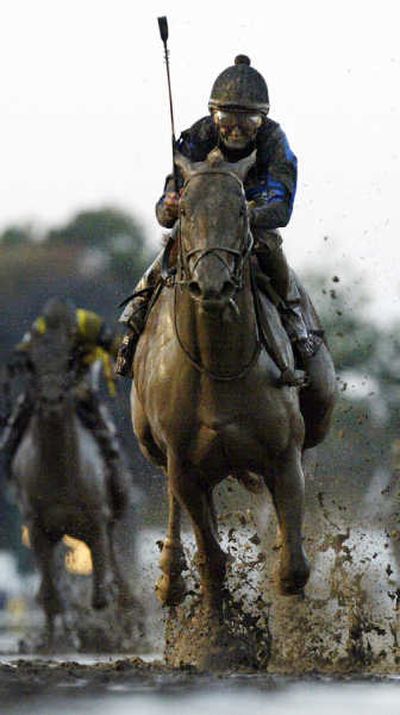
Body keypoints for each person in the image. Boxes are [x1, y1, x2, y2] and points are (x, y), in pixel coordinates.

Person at [116, 55, 322, 382]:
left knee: (272, 252)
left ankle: (293, 320)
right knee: (168, 251)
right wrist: (168, 208)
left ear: (262, 121)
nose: (237, 128)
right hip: (200, 224)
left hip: (250, 222)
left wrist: (239, 212)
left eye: (249, 121)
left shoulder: (274, 141)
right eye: (227, 117)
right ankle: (135, 319)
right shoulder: (197, 135)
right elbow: (167, 203)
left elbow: (281, 208)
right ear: (214, 115)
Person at [0, 298, 124, 504]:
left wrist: (121, 360)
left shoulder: (90, 324)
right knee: (22, 412)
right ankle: (11, 462)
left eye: (66, 332)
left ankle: (113, 464)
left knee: (93, 410)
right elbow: (21, 357)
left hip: (82, 373)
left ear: (73, 325)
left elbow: (118, 348)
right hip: (51, 377)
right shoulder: (38, 329)